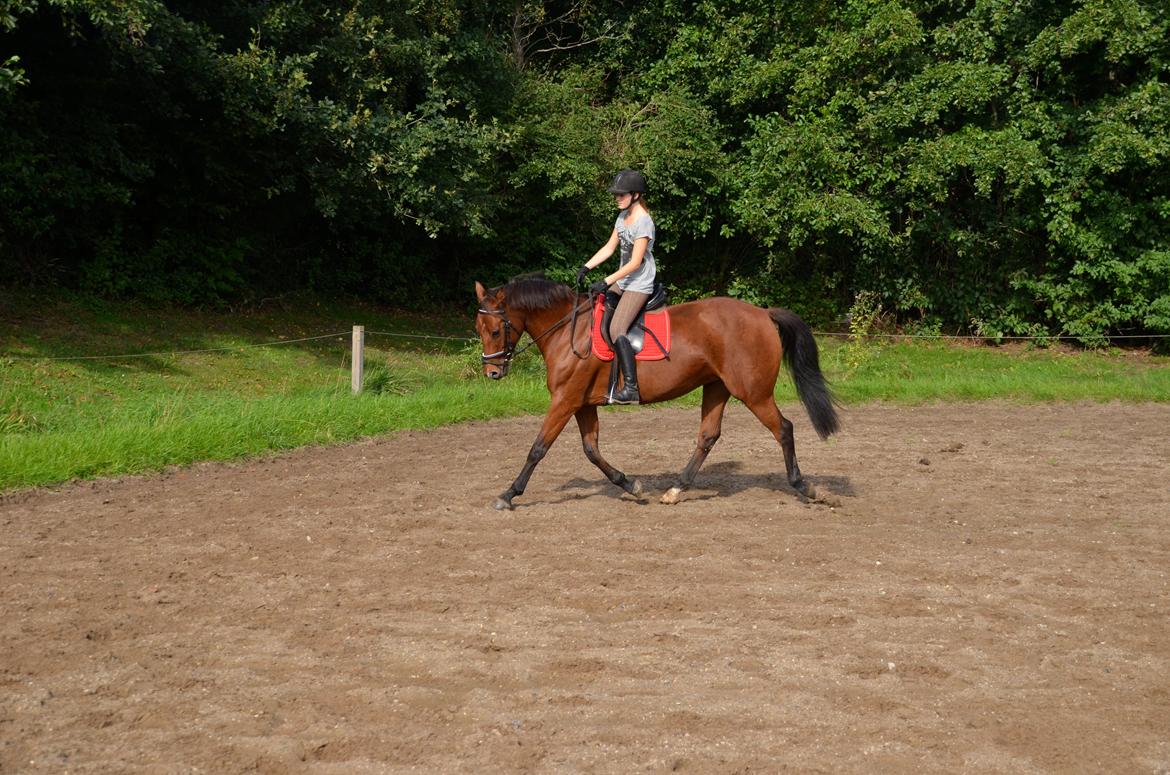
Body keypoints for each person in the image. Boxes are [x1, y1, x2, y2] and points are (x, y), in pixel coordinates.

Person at [576, 169, 656, 405]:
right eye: (616, 194)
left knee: (617, 327)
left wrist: (607, 281)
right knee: (596, 307)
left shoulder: (644, 222)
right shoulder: (622, 217)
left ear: (636, 195)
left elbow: (635, 262)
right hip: (623, 280)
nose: (617, 198)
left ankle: (631, 387)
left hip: (639, 283)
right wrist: (586, 267)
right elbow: (609, 248)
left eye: (621, 194)